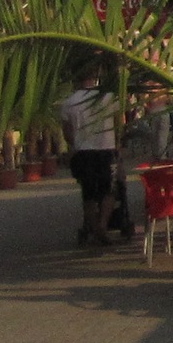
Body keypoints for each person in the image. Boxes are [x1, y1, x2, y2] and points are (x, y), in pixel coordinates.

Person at [58, 64, 124, 248]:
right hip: (106, 150)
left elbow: (67, 133)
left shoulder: (69, 102)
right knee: (109, 190)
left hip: (83, 152)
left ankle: (95, 228)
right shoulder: (108, 98)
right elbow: (119, 123)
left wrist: (77, 143)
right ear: (95, 76)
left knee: (88, 194)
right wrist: (118, 142)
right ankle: (102, 224)